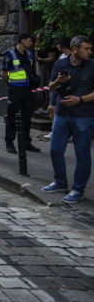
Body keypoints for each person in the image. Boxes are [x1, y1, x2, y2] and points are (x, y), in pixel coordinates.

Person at [42, 36, 94, 204]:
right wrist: (59, 81)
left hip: (83, 115)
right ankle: (60, 182)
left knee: (82, 154)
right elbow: (50, 86)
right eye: (86, 49)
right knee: (55, 150)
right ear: (75, 49)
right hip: (62, 113)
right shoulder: (60, 64)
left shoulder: (92, 65)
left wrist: (79, 100)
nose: (89, 52)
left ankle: (78, 190)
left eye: (89, 49)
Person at [1, 32, 41, 154]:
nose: (31, 42)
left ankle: (26, 142)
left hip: (28, 90)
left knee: (27, 117)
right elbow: (3, 74)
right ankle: (9, 143)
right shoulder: (10, 54)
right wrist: (12, 85)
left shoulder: (29, 54)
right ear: (22, 41)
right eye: (29, 40)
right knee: (12, 117)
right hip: (15, 89)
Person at [48, 36, 72, 124]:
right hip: (56, 84)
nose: (57, 46)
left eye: (58, 44)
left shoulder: (71, 58)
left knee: (55, 108)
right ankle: (54, 129)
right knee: (51, 108)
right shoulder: (61, 57)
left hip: (64, 87)